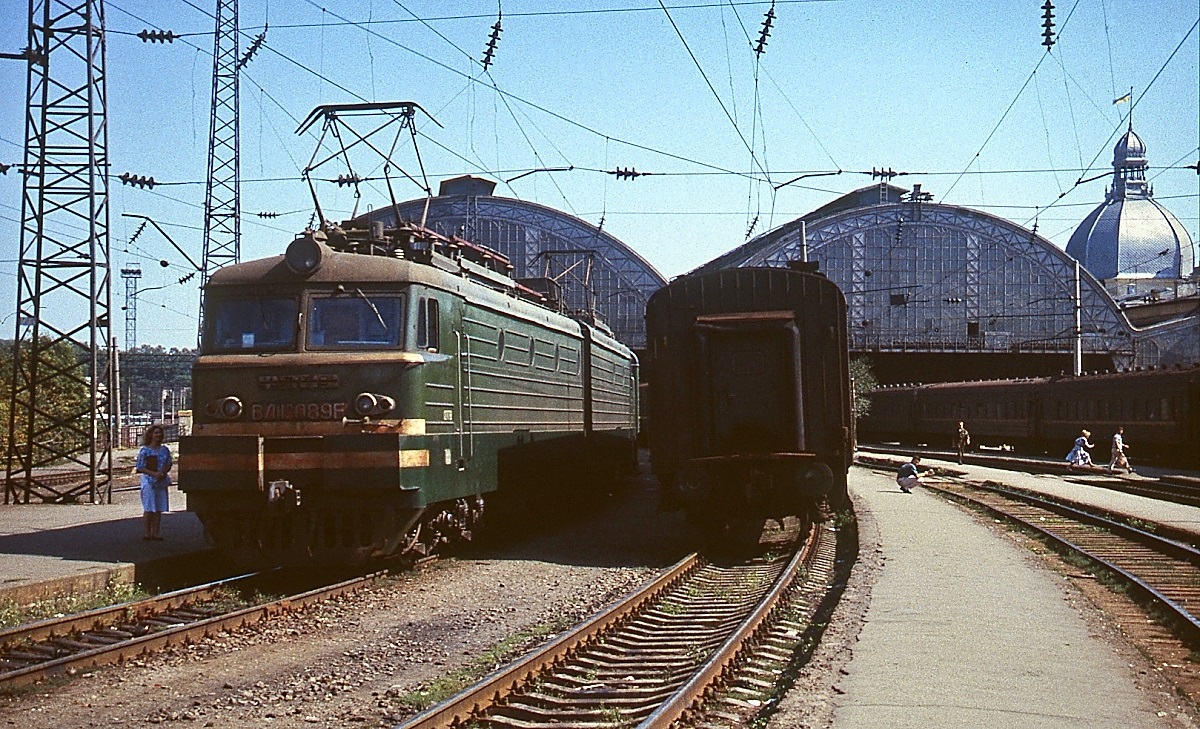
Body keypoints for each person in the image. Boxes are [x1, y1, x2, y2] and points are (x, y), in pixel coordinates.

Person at [135, 425, 173, 541]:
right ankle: (147, 533)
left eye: (160, 433)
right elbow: (140, 467)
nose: (158, 435)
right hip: (149, 481)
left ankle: (156, 533)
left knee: (158, 508)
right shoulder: (145, 450)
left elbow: (168, 463)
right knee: (149, 507)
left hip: (160, 481)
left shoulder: (164, 449)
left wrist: (162, 472)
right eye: (156, 433)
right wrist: (153, 474)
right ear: (151, 434)